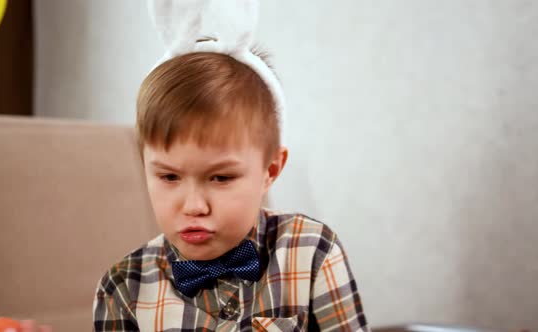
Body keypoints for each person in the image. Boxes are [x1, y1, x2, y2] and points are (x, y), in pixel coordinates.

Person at [92, 1, 369, 331]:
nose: (194, 206)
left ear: (270, 170)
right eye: (169, 176)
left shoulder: (311, 252)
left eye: (221, 177)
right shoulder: (122, 289)